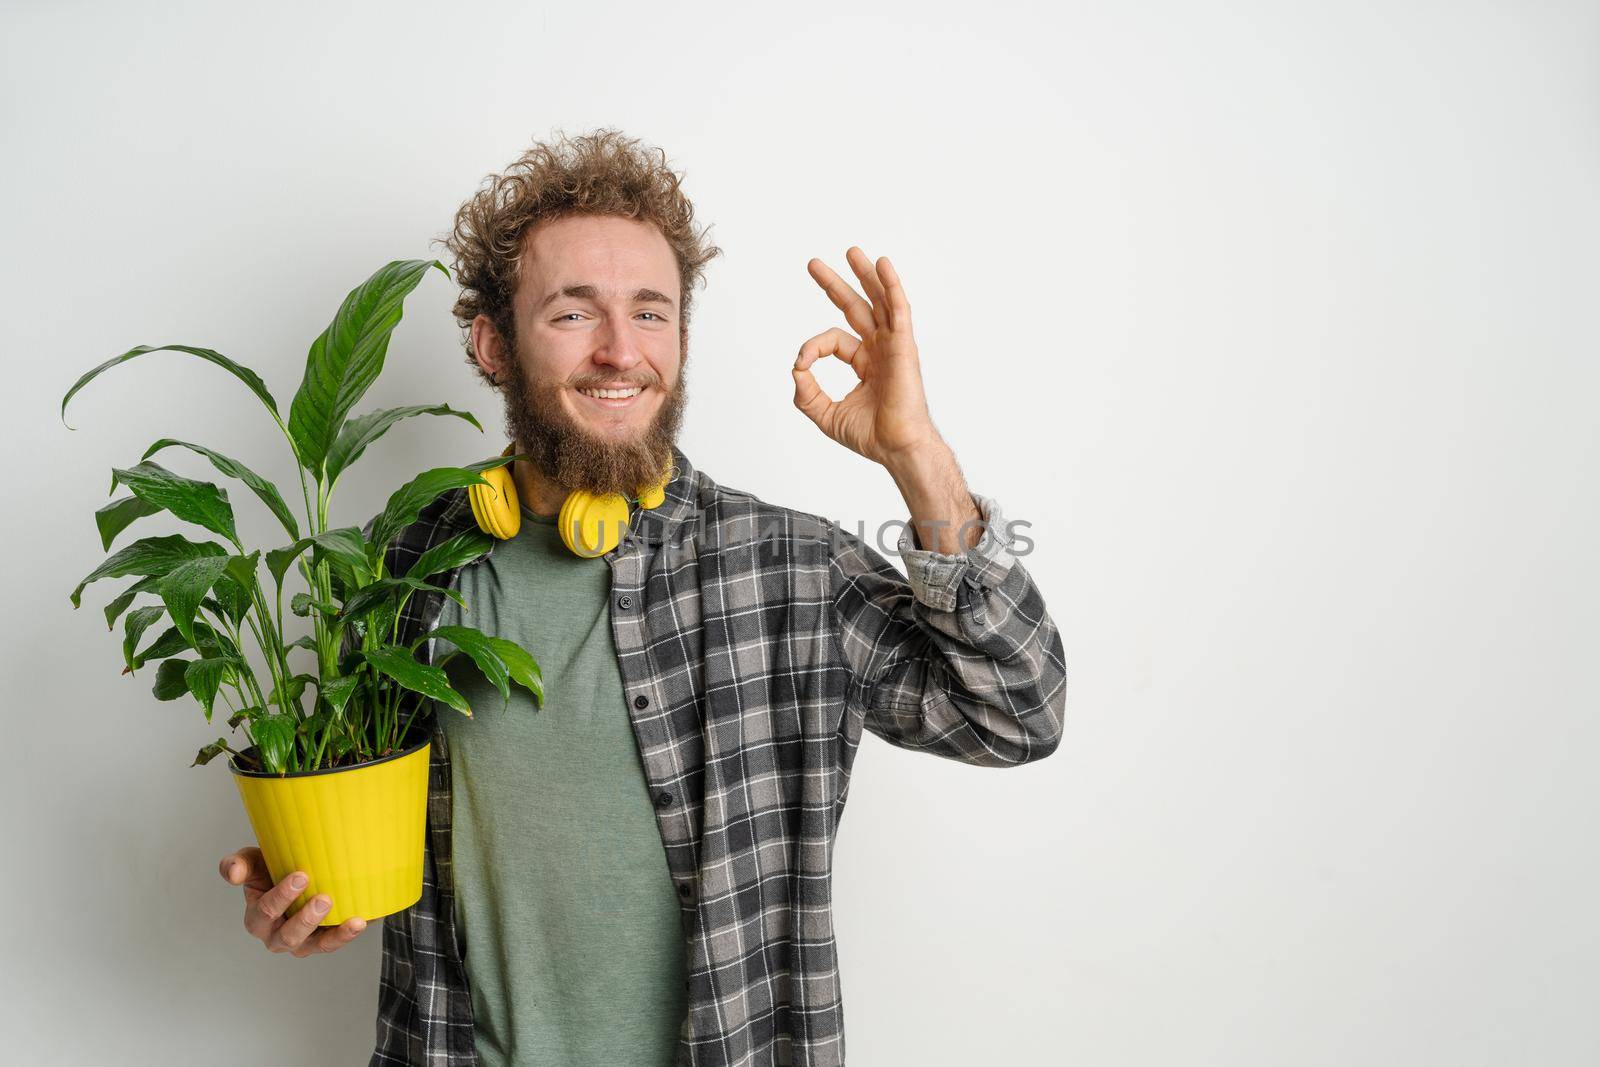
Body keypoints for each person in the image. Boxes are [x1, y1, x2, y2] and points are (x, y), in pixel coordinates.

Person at [219, 127, 1067, 1067]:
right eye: (574, 314)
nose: (622, 352)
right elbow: (348, 830)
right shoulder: (406, 566)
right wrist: (304, 893)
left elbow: (1019, 713)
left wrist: (918, 455)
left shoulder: (788, 568)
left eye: (652, 313)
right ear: (493, 343)